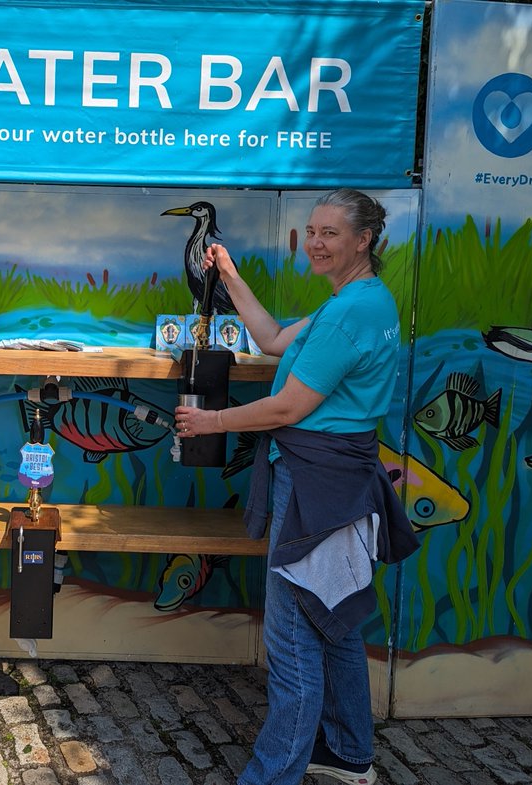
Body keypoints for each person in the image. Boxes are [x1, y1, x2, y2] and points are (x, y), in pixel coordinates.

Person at [174, 188, 420, 785]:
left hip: (317, 485)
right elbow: (272, 340)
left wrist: (212, 422)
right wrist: (229, 274)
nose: (315, 241)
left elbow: (287, 407)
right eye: (312, 230)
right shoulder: (360, 300)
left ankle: (272, 774)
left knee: (292, 639)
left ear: (364, 241)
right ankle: (349, 754)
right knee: (332, 620)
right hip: (337, 479)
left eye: (331, 232)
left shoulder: (351, 310)